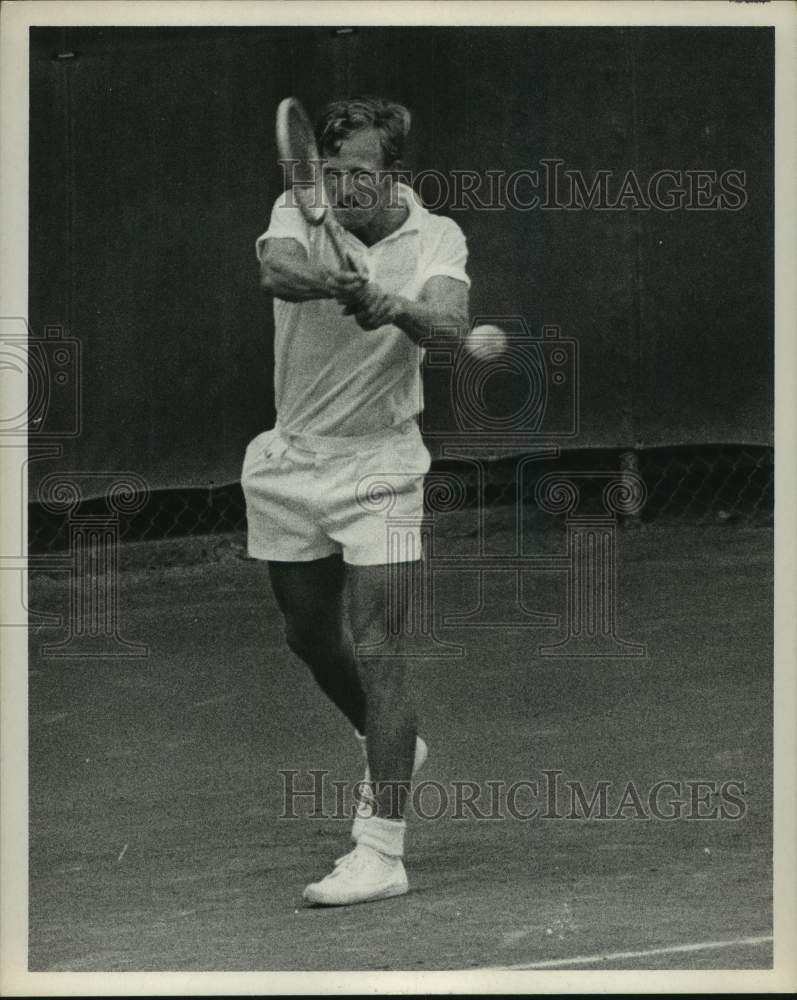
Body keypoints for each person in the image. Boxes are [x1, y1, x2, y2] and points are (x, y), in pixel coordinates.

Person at [242, 96, 470, 906]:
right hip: (292, 458)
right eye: (327, 172)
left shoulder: (436, 237)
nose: (340, 188)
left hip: (381, 461)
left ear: (394, 173)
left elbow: (449, 326)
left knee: (378, 649)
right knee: (310, 637)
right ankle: (395, 753)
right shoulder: (297, 208)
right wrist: (334, 282)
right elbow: (276, 268)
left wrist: (392, 303)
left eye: (358, 174)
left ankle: (381, 851)